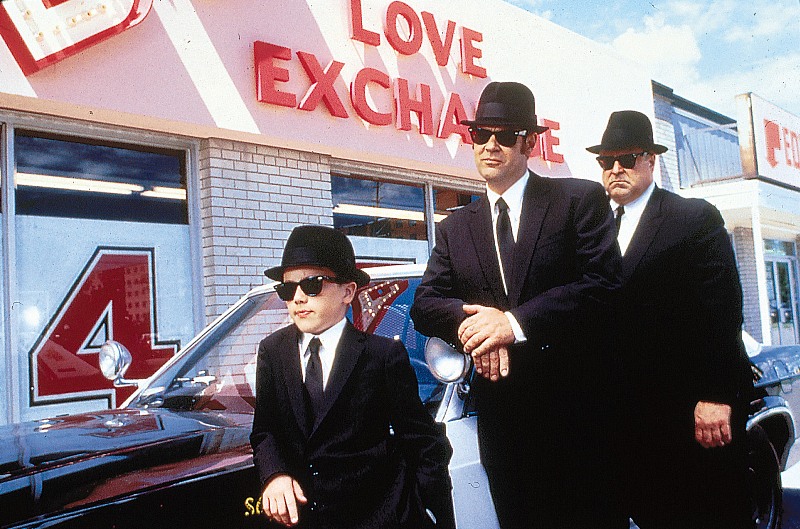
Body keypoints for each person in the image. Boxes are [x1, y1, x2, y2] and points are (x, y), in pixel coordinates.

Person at [410, 81, 624, 529]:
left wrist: (512, 324)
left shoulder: (577, 201)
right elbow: (425, 304)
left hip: (578, 420)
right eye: (480, 134)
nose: (491, 145)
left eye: (505, 135)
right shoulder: (455, 228)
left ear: (529, 143)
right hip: (502, 424)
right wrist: (479, 331)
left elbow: (603, 286)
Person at [588, 110, 756, 529]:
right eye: (606, 161)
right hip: (622, 421)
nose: (615, 169)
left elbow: (722, 311)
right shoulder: (592, 228)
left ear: (651, 160)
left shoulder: (692, 218)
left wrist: (715, 395)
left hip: (689, 415)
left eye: (627, 158)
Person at [250, 225, 456, 529]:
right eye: (287, 289)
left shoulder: (382, 355)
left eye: (312, 285)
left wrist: (424, 511)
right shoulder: (273, 351)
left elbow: (424, 443)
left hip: (377, 518)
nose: (298, 298)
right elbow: (265, 430)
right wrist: (275, 474)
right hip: (303, 520)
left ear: (348, 291)